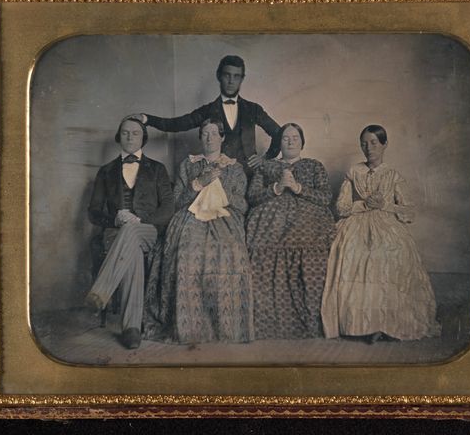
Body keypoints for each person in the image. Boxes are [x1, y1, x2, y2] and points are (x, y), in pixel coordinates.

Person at [321, 125, 441, 343]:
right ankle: (361, 324)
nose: (369, 148)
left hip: (386, 225)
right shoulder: (354, 172)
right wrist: (364, 204)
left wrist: (385, 205)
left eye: (374, 143)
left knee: (389, 253)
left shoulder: (393, 175)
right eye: (364, 144)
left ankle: (386, 323)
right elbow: (341, 208)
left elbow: (409, 212)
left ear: (385, 145)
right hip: (357, 223)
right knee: (352, 252)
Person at [143, 118, 253, 344]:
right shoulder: (188, 164)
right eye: (205, 134)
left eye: (214, 133)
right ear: (200, 138)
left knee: (230, 250)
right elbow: (176, 202)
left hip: (224, 217)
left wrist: (221, 188)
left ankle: (225, 327)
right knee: (186, 250)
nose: (209, 138)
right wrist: (198, 183)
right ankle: (188, 327)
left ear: (222, 137)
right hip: (189, 216)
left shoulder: (234, 168)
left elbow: (242, 205)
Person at [85, 117, 174, 349]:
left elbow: (168, 208)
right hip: (116, 234)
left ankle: (101, 291)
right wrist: (114, 219)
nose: (130, 137)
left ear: (143, 137)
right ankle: (131, 328)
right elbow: (93, 212)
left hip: (149, 231)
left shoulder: (157, 169)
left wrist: (141, 220)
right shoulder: (105, 172)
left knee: (133, 230)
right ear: (118, 137)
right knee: (131, 245)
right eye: (125, 132)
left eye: (135, 133)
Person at [245, 123, 335, 339]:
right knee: (262, 245)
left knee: (311, 248)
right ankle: (269, 325)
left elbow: (326, 197)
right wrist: (276, 188)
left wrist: (298, 188)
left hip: (308, 223)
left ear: (302, 142)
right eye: (286, 138)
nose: (291, 142)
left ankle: (309, 324)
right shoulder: (266, 167)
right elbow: (252, 197)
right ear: (279, 143)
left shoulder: (314, 166)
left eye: (295, 138)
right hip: (271, 223)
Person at [130, 55, 280, 173]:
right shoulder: (208, 110)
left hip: (248, 174)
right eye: (227, 75)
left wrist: (266, 157)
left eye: (236, 76)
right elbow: (176, 124)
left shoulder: (253, 109)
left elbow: (280, 133)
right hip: (217, 174)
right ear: (219, 76)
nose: (231, 81)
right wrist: (146, 118)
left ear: (242, 79)